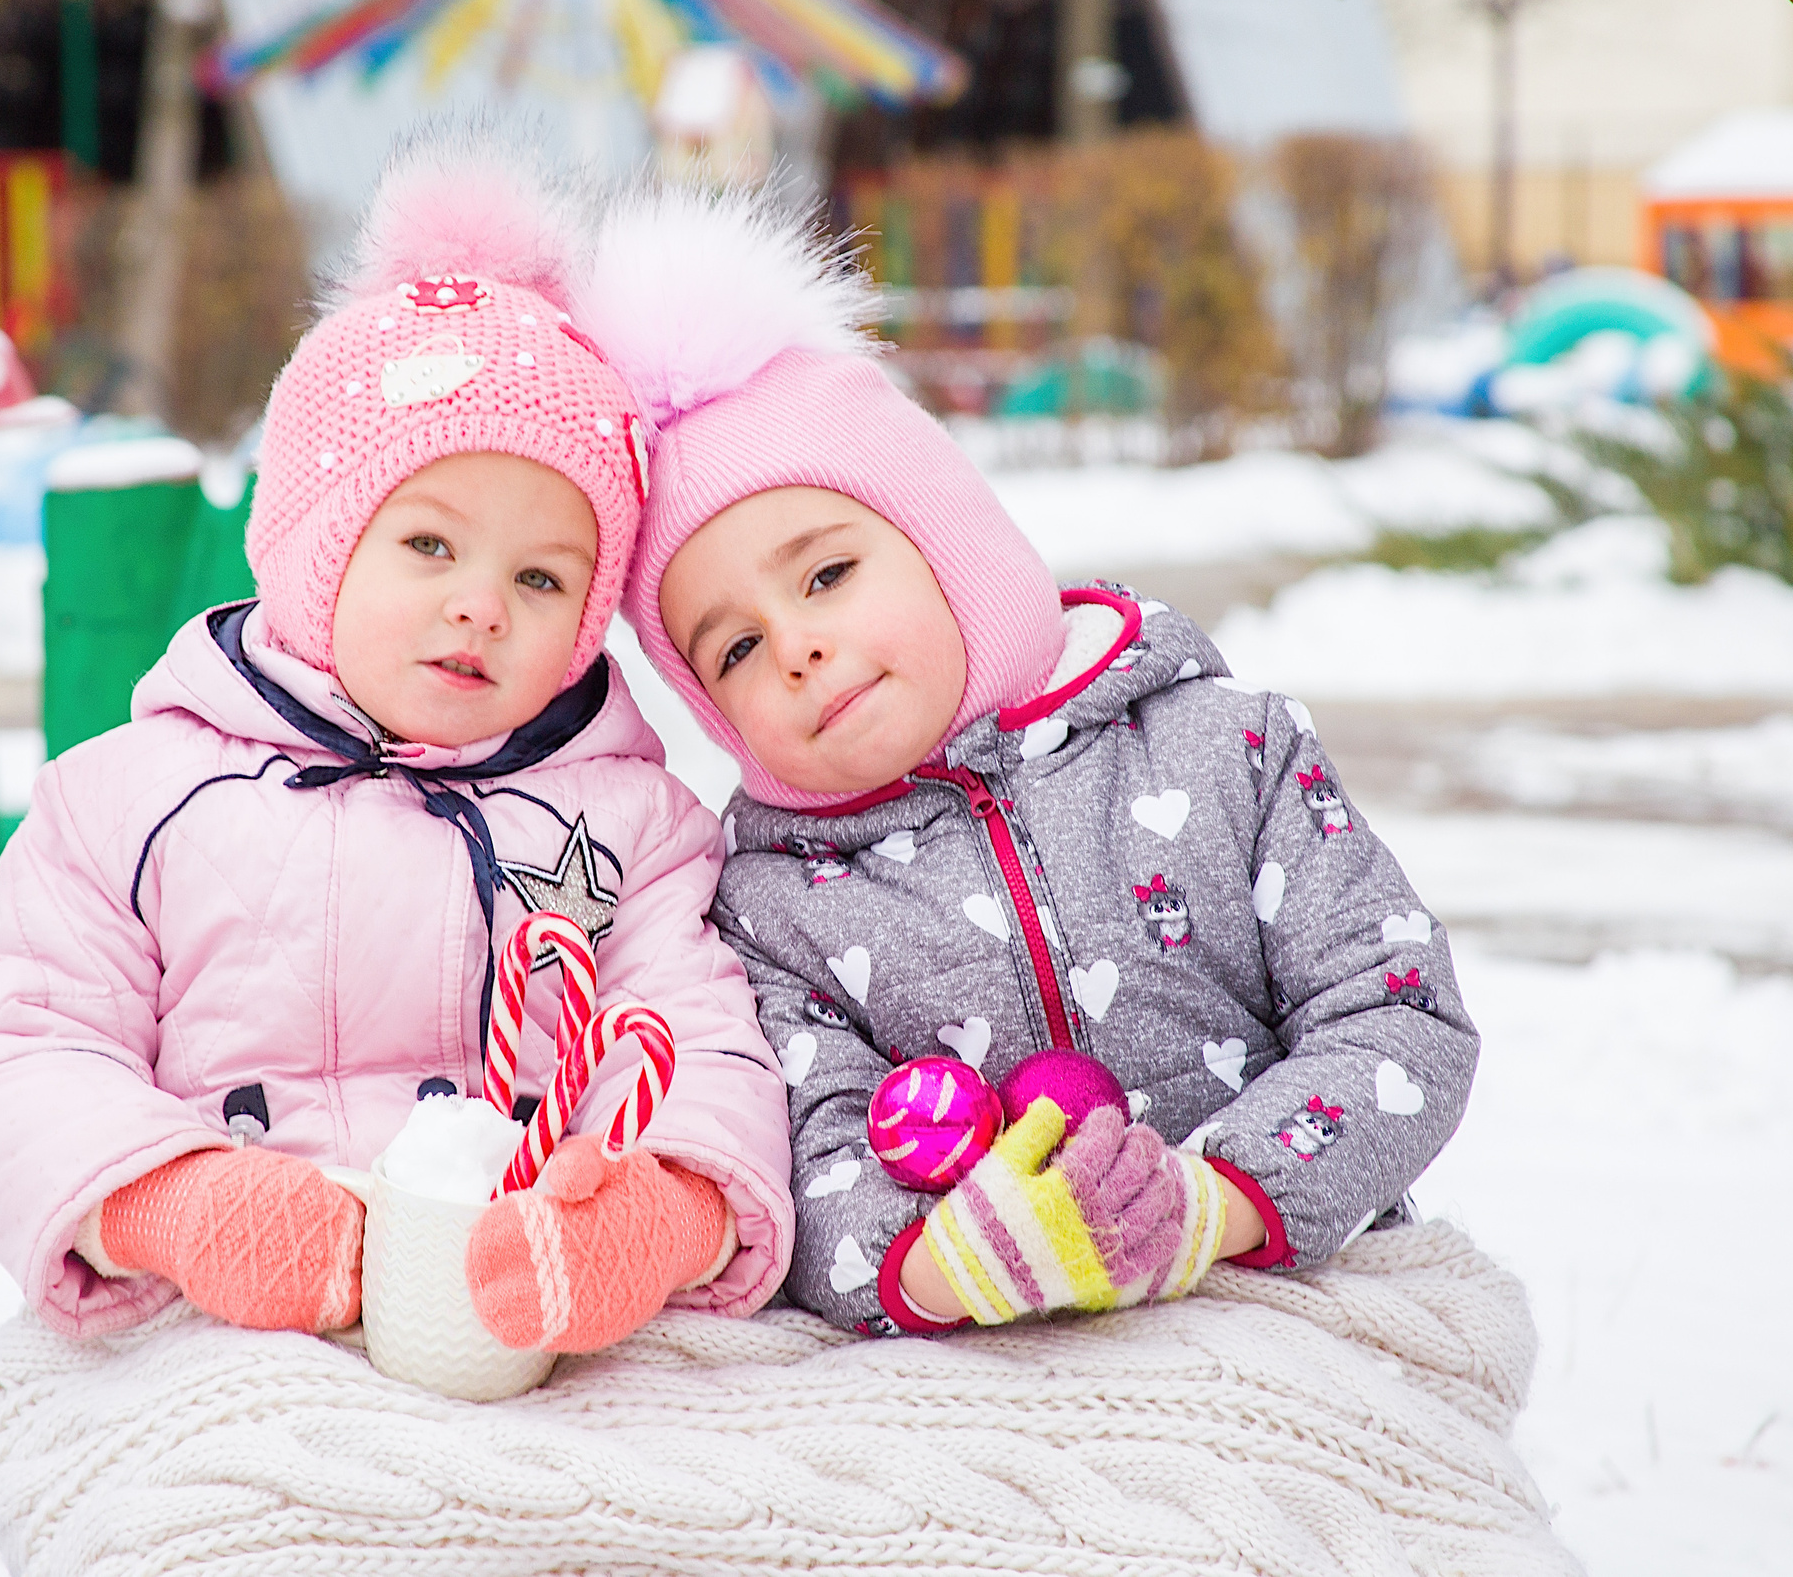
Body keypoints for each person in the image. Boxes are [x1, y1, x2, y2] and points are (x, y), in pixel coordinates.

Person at [0, 140, 790, 1354]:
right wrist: (170, 1205)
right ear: (316, 543)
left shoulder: (631, 825)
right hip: (217, 1321)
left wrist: (657, 1214)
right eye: (429, 546)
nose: (481, 606)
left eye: (542, 578)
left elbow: (696, 1042)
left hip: (521, 1329)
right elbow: (17, 1049)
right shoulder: (130, 801)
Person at [571, 187, 1476, 1335]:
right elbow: (811, 1172)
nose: (794, 646)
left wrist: (1216, 1201)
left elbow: (1399, 1015)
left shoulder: (1226, 753)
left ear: (944, 539)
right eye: (736, 648)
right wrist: (948, 1262)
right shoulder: (774, 909)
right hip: (1001, 1365)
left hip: (1284, 1311)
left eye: (827, 575)